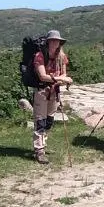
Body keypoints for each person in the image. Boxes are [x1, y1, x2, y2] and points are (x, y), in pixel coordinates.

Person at [32, 30, 72, 165]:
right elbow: (42, 76)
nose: (55, 42)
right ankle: (39, 150)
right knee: (40, 121)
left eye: (57, 40)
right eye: (53, 40)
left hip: (54, 92)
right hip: (42, 91)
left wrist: (61, 80)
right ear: (48, 42)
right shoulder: (40, 56)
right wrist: (61, 79)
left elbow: (63, 76)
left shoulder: (62, 57)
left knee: (49, 121)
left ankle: (43, 144)